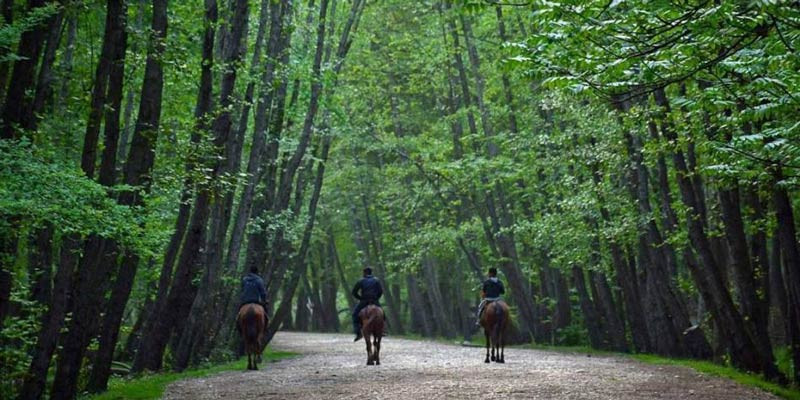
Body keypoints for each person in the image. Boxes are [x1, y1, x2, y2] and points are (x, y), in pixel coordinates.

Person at [352, 267, 383, 342]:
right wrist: (376, 298)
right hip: (374, 301)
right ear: (371, 273)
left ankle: (358, 332)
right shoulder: (376, 280)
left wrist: (360, 298)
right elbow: (381, 291)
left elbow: (354, 292)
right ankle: (383, 330)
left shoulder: (361, 280)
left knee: (354, 314)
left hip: (364, 301)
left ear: (364, 273)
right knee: (382, 314)